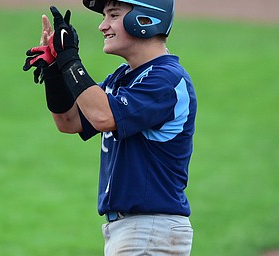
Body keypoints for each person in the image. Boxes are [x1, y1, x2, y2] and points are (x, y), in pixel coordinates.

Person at [23, 0, 197, 255]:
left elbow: (102, 116)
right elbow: (69, 121)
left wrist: (70, 60)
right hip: (136, 232)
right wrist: (54, 71)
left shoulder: (167, 79)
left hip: (150, 231)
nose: (102, 26)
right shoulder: (124, 77)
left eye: (113, 15)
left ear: (146, 19)